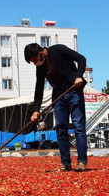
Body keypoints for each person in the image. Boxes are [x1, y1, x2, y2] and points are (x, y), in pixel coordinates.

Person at [24, 43, 88, 171]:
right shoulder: (40, 67)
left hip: (74, 91)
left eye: (34, 60)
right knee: (60, 130)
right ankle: (66, 164)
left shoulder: (58, 49)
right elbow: (39, 88)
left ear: (40, 53)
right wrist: (36, 110)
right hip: (59, 97)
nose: (35, 63)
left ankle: (81, 162)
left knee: (78, 127)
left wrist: (79, 76)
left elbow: (81, 58)